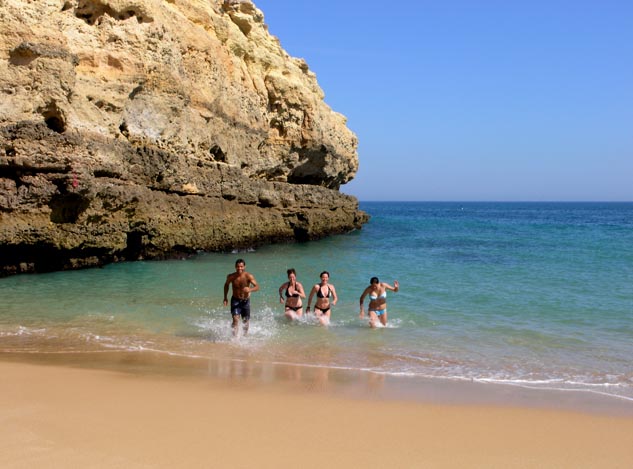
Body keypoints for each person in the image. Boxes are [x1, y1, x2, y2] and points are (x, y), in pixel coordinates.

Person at [223, 258, 259, 336]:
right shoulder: (231, 276)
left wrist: (250, 289)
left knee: (245, 321)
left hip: (246, 301)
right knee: (235, 319)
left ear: (244, 266)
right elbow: (226, 285)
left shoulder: (248, 276)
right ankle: (234, 338)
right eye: (238, 266)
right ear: (235, 267)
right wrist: (225, 297)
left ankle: (245, 336)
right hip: (235, 300)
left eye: (241, 266)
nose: (240, 268)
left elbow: (257, 287)